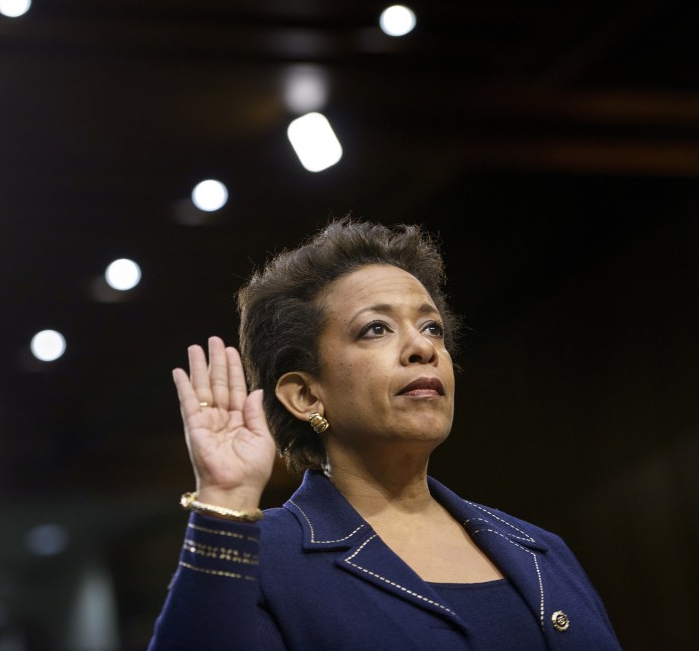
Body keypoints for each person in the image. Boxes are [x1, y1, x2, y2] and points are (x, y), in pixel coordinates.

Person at [148, 217, 620, 649]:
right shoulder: (263, 556)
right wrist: (225, 498)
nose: (422, 348)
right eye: (376, 329)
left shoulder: (538, 548)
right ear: (306, 396)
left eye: (432, 328)